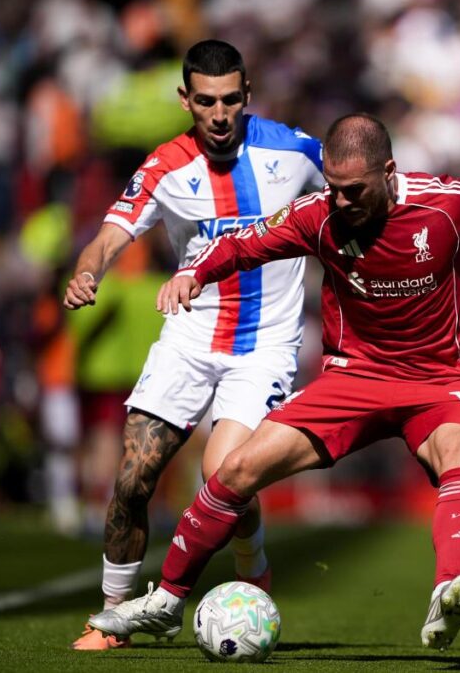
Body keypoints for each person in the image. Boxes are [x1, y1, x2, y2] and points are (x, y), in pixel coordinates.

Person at [86, 113, 460, 651]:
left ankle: (449, 589)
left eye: (353, 190)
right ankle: (168, 600)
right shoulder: (317, 215)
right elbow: (244, 243)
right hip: (355, 380)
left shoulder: (447, 204)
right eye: (333, 187)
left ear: (389, 172)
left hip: (440, 382)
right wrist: (193, 273)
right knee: (237, 468)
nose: (340, 201)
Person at [63, 39, 324, 650]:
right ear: (186, 100)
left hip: (264, 347)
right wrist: (88, 272)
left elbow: (361, 180)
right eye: (206, 101)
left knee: (223, 473)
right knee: (133, 477)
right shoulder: (162, 167)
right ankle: (112, 617)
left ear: (247, 96)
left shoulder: (295, 150)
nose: (220, 113)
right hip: (189, 335)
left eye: (231, 99)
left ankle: (251, 569)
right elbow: (108, 236)